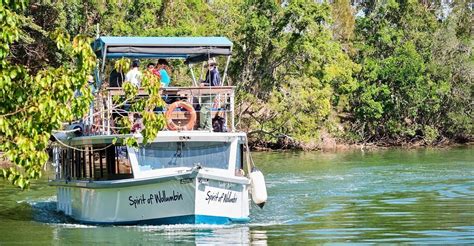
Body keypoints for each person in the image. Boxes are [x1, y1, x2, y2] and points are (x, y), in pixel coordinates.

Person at [199, 58, 222, 130]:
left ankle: (202, 127)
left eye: (211, 65)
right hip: (206, 93)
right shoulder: (209, 72)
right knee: (208, 111)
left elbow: (214, 85)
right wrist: (203, 81)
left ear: (213, 65)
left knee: (203, 110)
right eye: (208, 65)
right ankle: (208, 127)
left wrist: (204, 84)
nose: (209, 66)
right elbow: (207, 81)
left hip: (211, 93)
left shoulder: (214, 72)